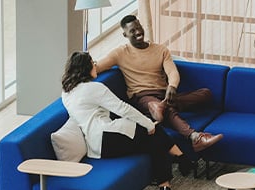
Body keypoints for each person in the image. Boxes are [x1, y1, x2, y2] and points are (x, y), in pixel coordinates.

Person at [61, 51, 190, 190]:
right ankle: (181, 158)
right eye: (92, 63)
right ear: (85, 68)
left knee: (154, 141)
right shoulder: (93, 88)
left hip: (96, 147)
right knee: (154, 133)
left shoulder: (66, 93)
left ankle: (167, 188)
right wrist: (148, 124)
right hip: (107, 136)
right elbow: (122, 108)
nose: (95, 65)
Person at [95, 15, 223, 154]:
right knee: (167, 111)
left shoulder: (160, 50)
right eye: (132, 31)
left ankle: (159, 109)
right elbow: (97, 67)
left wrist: (172, 86)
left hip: (164, 95)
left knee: (206, 94)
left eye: (139, 28)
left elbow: (172, 72)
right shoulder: (119, 53)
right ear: (125, 34)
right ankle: (195, 138)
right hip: (142, 97)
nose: (138, 32)